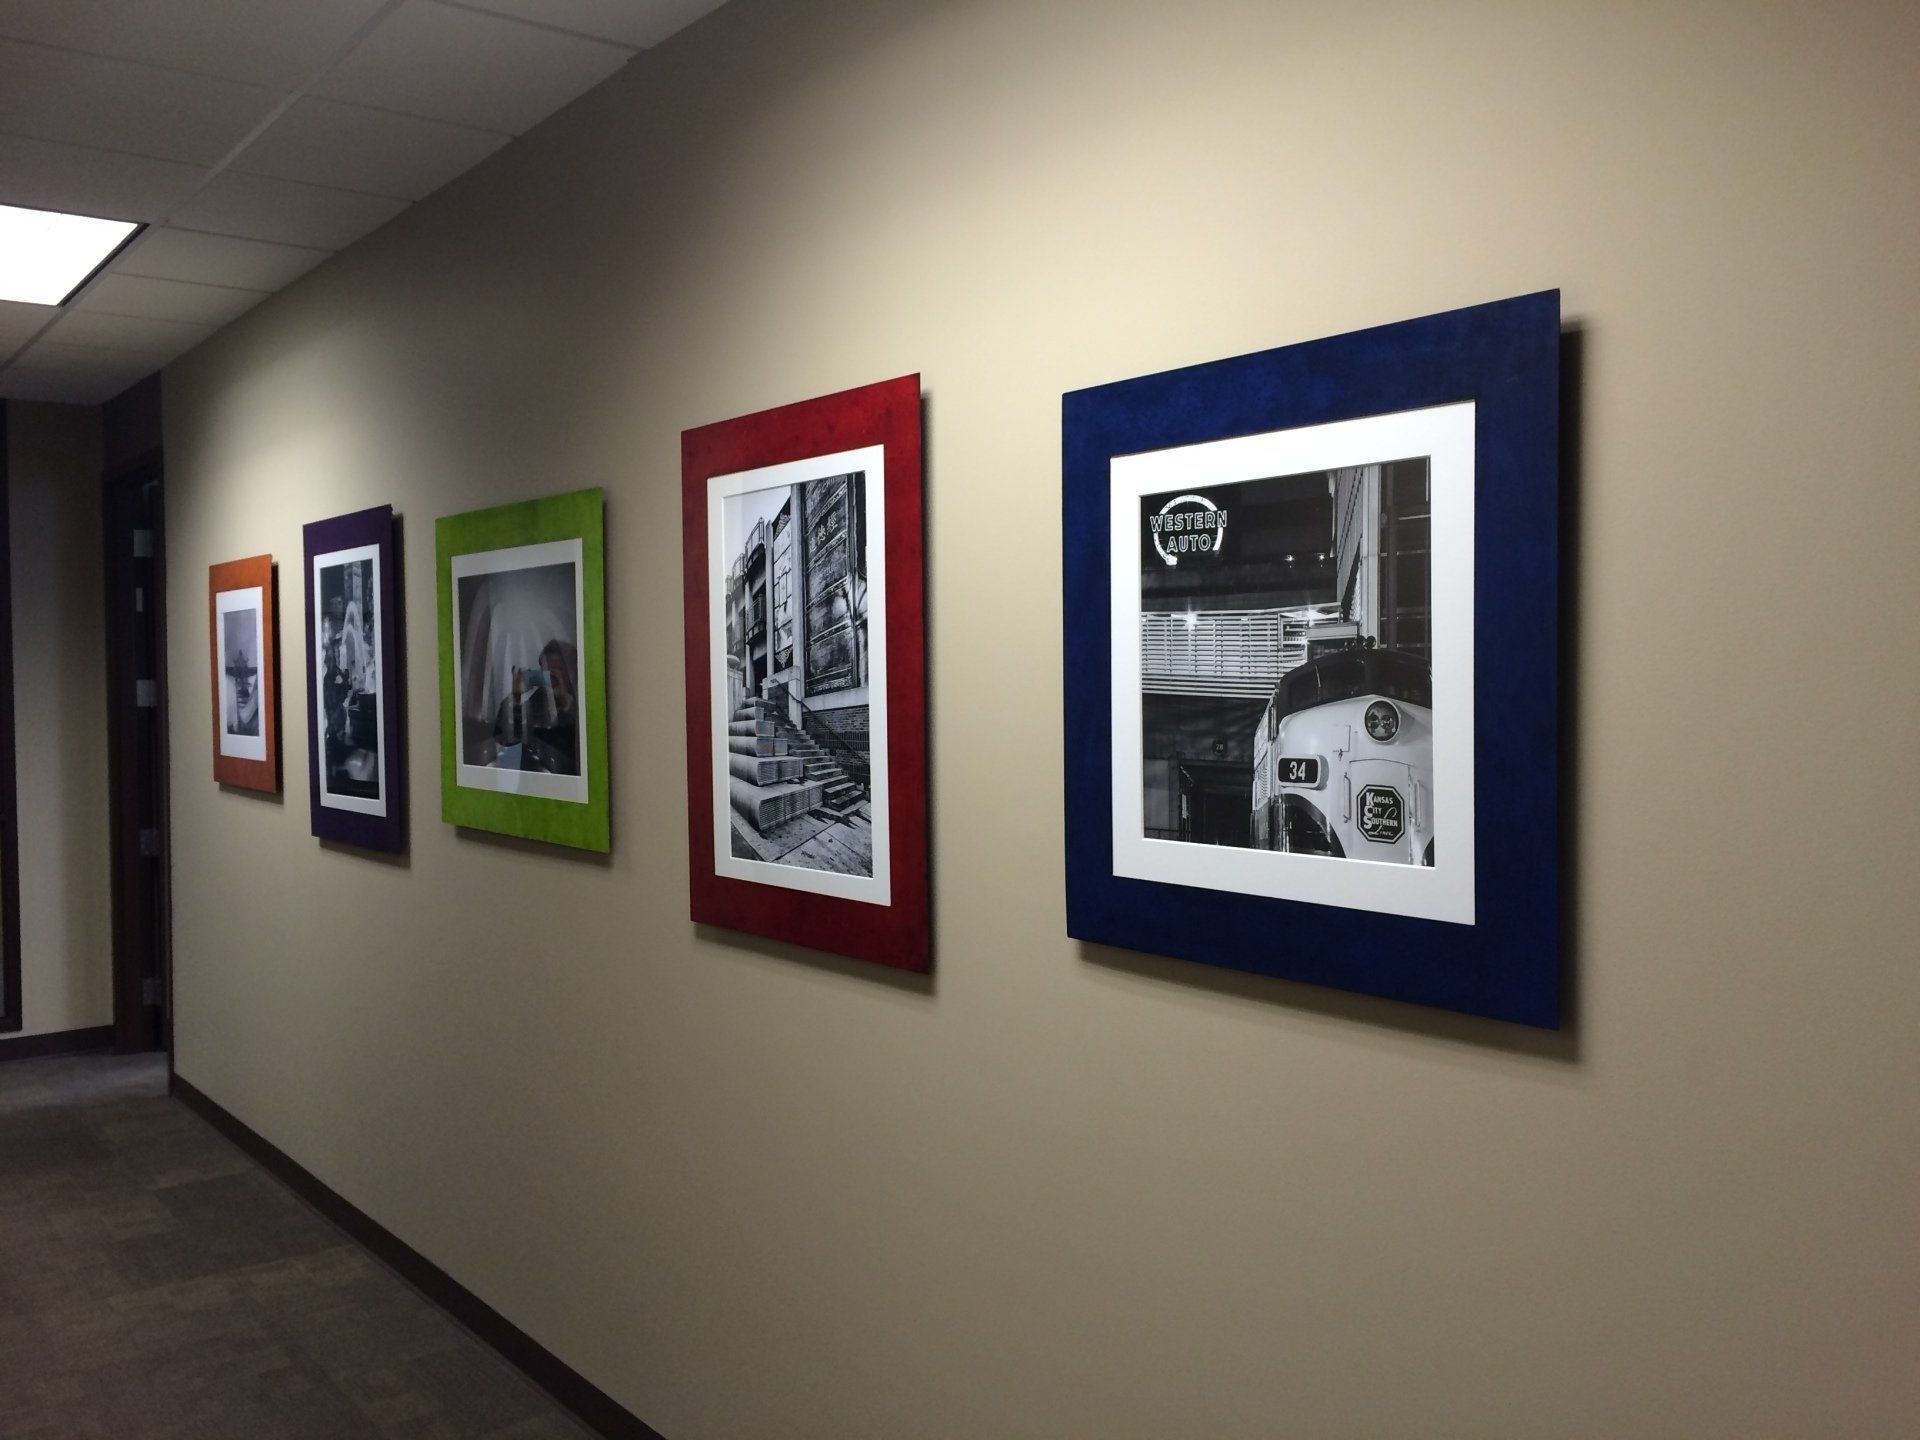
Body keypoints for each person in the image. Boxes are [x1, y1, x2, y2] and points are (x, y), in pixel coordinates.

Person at [493, 639, 580, 774]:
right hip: (531, 783)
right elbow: (505, 738)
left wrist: (567, 704)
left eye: (558, 669)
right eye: (546, 670)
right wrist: (516, 696)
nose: (551, 676)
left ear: (572, 672)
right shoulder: (538, 701)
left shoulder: (584, 703)